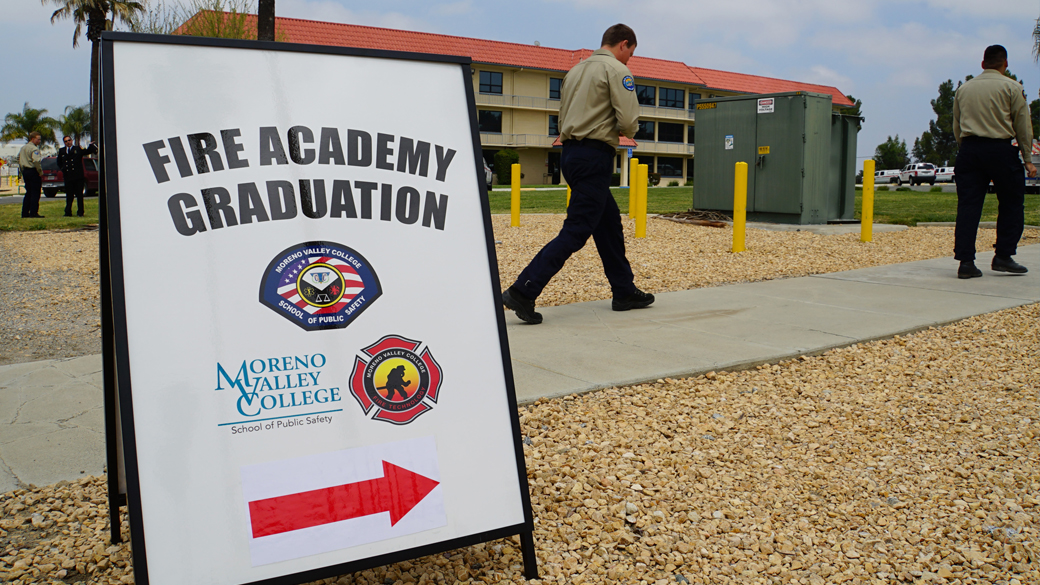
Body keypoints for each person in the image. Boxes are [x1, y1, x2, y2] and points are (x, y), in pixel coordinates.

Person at [501, 24, 653, 324]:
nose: (629, 61)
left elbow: (562, 115)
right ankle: (523, 290)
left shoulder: (575, 71)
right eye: (631, 54)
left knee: (608, 223)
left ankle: (624, 291)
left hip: (570, 153)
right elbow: (628, 119)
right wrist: (628, 130)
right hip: (595, 155)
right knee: (577, 230)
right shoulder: (616, 71)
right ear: (623, 44)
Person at [952, 44, 1036, 279]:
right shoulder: (1012, 87)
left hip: (969, 150)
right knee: (1011, 203)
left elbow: (956, 125)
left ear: (982, 64)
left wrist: (965, 148)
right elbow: (1022, 125)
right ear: (1005, 64)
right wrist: (1027, 159)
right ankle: (1003, 256)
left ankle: (966, 262)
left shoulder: (963, 89)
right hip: (1000, 150)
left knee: (968, 206)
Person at [57, 136, 98, 217]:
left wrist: (91, 145)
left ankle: (80, 212)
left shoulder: (77, 149)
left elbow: (87, 151)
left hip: (77, 176)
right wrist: (63, 169)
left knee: (79, 195)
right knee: (69, 195)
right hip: (68, 176)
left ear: (72, 141)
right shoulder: (62, 151)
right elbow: (59, 162)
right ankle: (68, 212)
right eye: (66, 141)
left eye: (69, 140)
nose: (68, 142)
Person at [19, 132, 44, 219]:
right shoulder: (34, 149)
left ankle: (25, 212)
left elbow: (20, 161)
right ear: (32, 139)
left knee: (28, 192)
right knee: (35, 193)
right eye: (38, 139)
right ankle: (33, 212)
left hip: (25, 171)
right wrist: (40, 171)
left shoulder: (23, 148)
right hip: (33, 171)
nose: (39, 141)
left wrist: (23, 171)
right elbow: (36, 161)